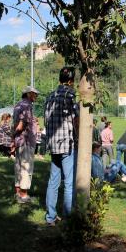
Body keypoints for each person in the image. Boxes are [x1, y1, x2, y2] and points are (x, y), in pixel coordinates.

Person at [44, 67, 78, 226]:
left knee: (53, 181)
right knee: (69, 183)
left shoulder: (49, 96)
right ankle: (68, 218)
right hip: (66, 143)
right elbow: (75, 120)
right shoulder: (70, 95)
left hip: (52, 144)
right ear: (71, 81)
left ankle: (50, 217)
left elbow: (45, 120)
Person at [12, 86, 40, 203]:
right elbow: (21, 124)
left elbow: (15, 123)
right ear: (28, 94)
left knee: (18, 166)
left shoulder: (18, 105)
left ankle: (18, 193)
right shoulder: (27, 105)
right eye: (34, 94)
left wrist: (13, 137)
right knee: (26, 167)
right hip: (26, 140)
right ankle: (23, 196)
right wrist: (16, 132)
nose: (36, 96)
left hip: (19, 141)